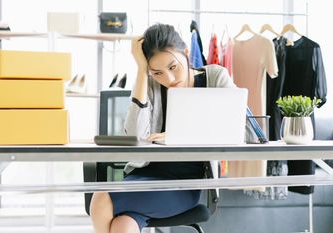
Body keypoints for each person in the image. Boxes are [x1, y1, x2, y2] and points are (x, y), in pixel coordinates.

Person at [90, 23, 236, 233]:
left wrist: (178, 136)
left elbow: (235, 128)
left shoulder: (215, 78)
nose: (168, 79)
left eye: (173, 67)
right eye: (157, 72)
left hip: (185, 183)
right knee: (123, 226)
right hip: (144, 175)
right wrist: (142, 72)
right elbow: (135, 137)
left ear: (186, 52)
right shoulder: (149, 84)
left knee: (101, 198)